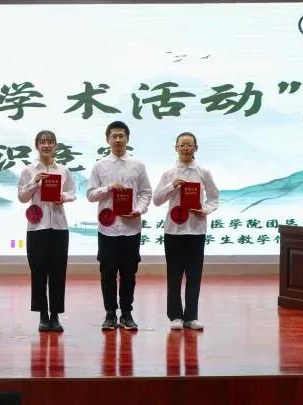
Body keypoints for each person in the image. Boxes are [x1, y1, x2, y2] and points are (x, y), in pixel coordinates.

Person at [87, 120, 152, 331]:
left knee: (129, 273)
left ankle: (126, 313)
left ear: (127, 139)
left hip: (131, 227)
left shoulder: (138, 165)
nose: (117, 140)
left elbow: (146, 192)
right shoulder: (99, 165)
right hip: (107, 229)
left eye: (121, 136)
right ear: (107, 139)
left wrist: (139, 210)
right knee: (107, 273)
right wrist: (107, 188)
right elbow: (90, 195)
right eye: (113, 136)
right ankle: (109, 314)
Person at [152, 132, 219, 331]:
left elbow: (214, 197)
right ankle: (175, 316)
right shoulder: (169, 173)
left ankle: (191, 316)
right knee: (174, 275)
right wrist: (171, 186)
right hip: (173, 231)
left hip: (196, 230)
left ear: (195, 148)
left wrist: (204, 210)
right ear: (176, 148)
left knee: (194, 275)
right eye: (182, 145)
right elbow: (156, 200)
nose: (186, 148)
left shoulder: (204, 172)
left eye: (189, 145)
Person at [17, 130, 76, 332]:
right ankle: (43, 315)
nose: (46, 145)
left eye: (50, 142)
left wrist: (64, 197)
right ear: (36, 145)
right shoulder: (29, 170)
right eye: (42, 142)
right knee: (38, 271)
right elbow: (22, 197)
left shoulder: (63, 170)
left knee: (58, 271)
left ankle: (56, 315)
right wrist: (34, 182)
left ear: (55, 146)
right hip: (37, 227)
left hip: (59, 226)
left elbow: (72, 192)